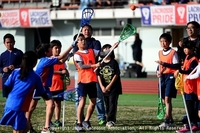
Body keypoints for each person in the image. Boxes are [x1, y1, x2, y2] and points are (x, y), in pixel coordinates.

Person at [26, 42, 74, 133]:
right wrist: (71, 46)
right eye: (50, 48)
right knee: (31, 107)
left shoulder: (48, 59)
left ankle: (46, 128)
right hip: (36, 86)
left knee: (51, 104)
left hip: (44, 87)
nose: (52, 49)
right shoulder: (45, 60)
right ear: (46, 52)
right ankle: (26, 125)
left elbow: (60, 61)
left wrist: (69, 54)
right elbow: (59, 58)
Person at [0, 51, 51, 133]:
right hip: (18, 107)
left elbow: (6, 87)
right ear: (34, 63)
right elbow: (42, 93)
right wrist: (49, 97)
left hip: (10, 104)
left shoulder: (15, 72)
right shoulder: (36, 77)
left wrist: (11, 98)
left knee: (26, 127)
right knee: (18, 130)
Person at [73, 24, 106, 125]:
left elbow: (101, 53)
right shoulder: (77, 50)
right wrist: (94, 65)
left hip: (93, 76)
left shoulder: (94, 44)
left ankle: (92, 119)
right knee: (80, 100)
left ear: (91, 32)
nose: (86, 31)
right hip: (82, 78)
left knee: (96, 99)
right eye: (84, 30)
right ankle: (79, 120)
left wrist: (112, 48)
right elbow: (81, 65)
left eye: (88, 30)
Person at [155, 33, 179, 128]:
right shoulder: (160, 52)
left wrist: (164, 64)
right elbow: (160, 65)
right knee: (164, 100)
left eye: (165, 41)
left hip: (170, 76)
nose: (163, 43)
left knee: (168, 99)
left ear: (169, 42)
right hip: (162, 77)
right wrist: (157, 71)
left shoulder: (173, 52)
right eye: (161, 41)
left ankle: (167, 120)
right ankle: (171, 120)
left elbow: (176, 65)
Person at [174, 41, 199, 133]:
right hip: (186, 86)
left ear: (192, 48)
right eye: (184, 48)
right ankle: (190, 124)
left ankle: (193, 124)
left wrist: (180, 71)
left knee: (191, 107)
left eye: (187, 48)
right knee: (188, 107)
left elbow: (191, 71)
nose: (185, 50)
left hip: (192, 87)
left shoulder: (194, 59)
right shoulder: (187, 57)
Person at [97, 44, 122, 128]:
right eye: (105, 49)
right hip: (104, 88)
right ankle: (109, 118)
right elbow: (98, 75)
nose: (107, 51)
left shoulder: (114, 62)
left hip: (114, 88)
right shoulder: (100, 63)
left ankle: (111, 120)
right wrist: (102, 87)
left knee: (112, 103)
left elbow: (116, 74)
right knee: (107, 104)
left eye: (109, 49)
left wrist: (109, 86)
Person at [49, 40, 70, 127]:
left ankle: (57, 120)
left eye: (59, 48)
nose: (58, 50)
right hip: (51, 85)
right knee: (51, 104)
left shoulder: (62, 61)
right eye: (56, 48)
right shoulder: (49, 59)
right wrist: (60, 72)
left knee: (58, 103)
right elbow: (50, 71)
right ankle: (49, 120)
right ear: (51, 49)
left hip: (60, 85)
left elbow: (65, 70)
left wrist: (67, 75)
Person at [0, 33, 23, 98]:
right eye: (7, 42)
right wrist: (3, 69)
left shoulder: (19, 53)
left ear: (14, 42)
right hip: (6, 79)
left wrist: (16, 67)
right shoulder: (2, 55)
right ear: (4, 43)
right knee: (8, 97)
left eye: (11, 42)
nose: (9, 44)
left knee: (16, 96)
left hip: (17, 78)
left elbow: (24, 65)